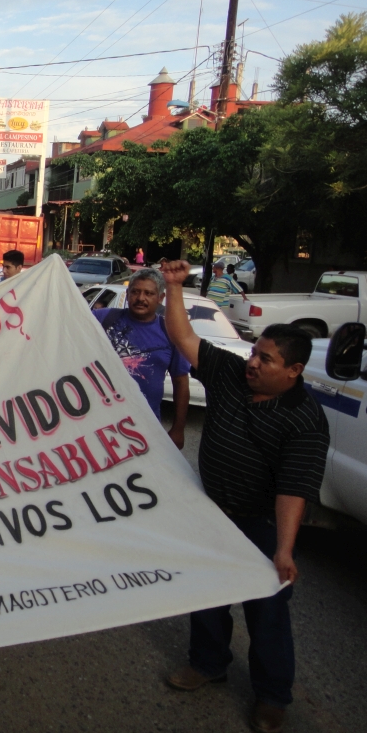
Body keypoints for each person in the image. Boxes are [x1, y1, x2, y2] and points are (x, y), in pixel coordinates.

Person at [160, 260, 329, 733]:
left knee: (267, 609)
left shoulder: (304, 420)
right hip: (213, 508)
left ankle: (272, 696)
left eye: (267, 359)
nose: (253, 362)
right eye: (255, 352)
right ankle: (207, 663)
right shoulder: (234, 374)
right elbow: (184, 339)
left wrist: (284, 549)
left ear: (294, 371)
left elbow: (294, 488)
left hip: (262, 523)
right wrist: (174, 288)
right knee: (208, 593)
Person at [92, 268, 190, 448]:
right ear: (127, 294)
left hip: (146, 429)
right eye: (135, 292)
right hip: (97, 425)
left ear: (160, 298)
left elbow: (181, 381)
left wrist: (178, 428)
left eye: (149, 293)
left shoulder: (171, 333)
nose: (141, 298)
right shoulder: (102, 318)